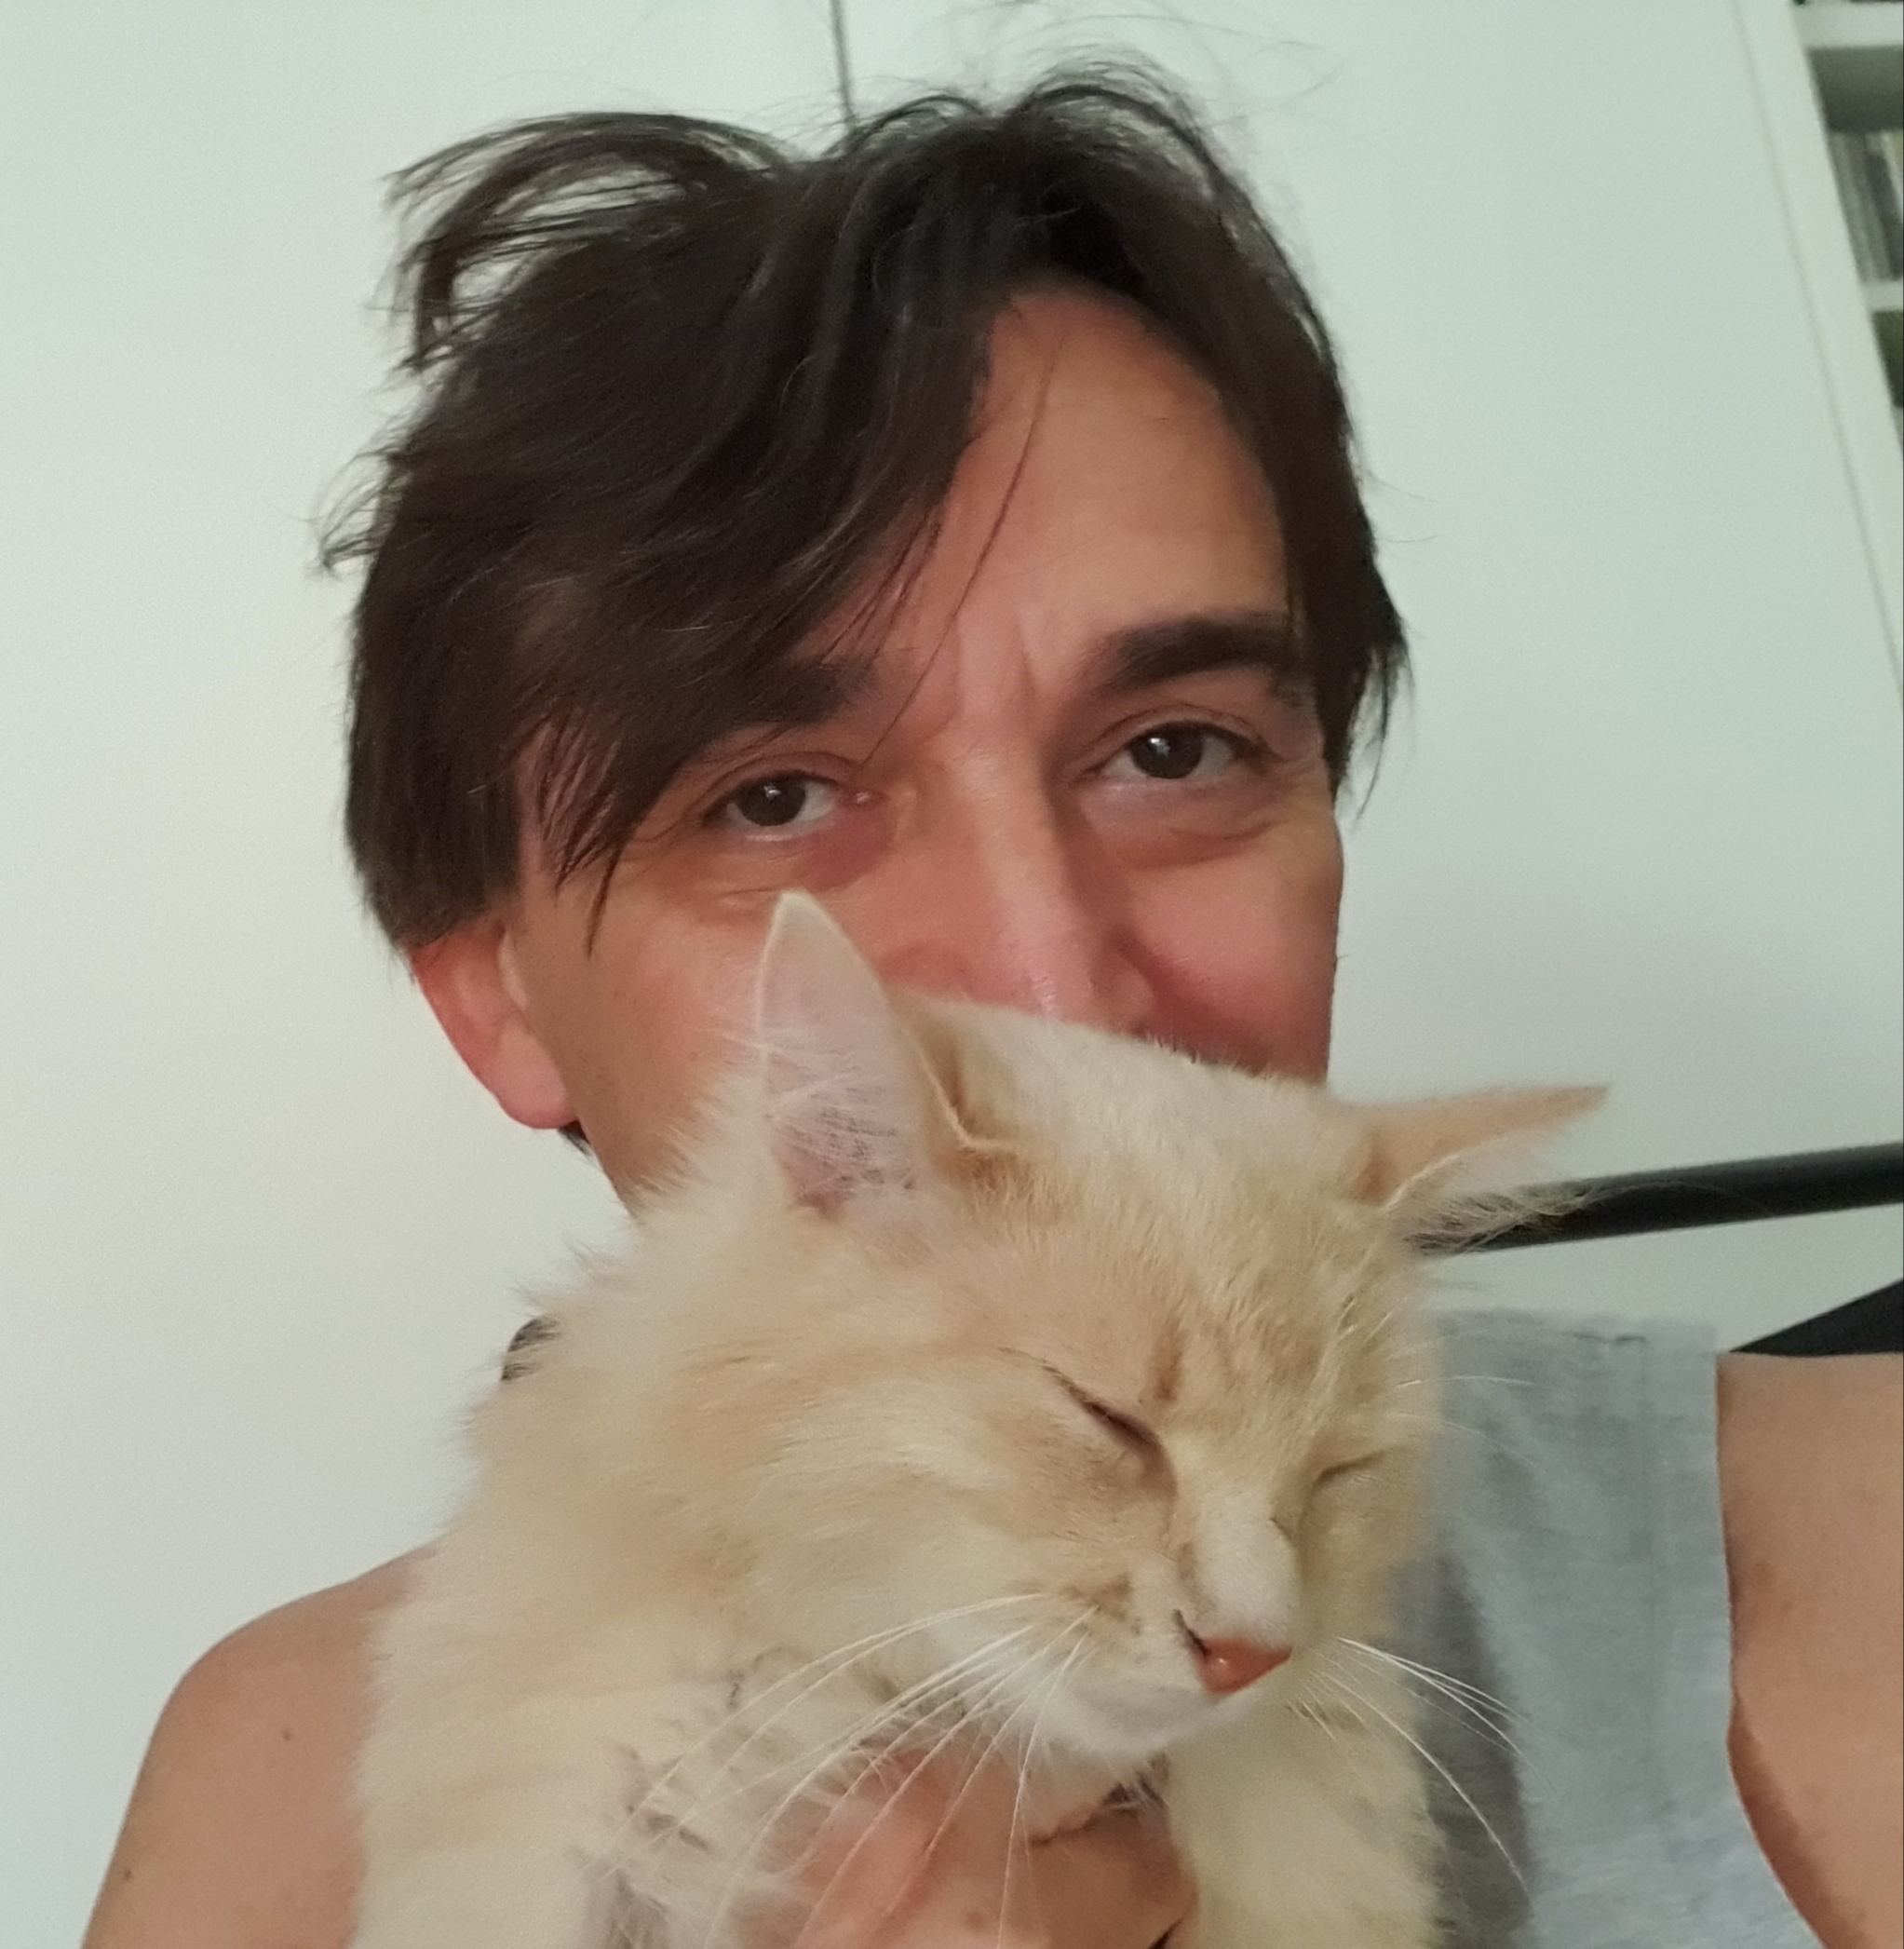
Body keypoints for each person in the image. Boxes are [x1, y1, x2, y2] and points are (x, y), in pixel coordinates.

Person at [83, 75, 1900, 1949]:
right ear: (495, 1004)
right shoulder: (258, 1800)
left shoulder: (1852, 1547)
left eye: (1174, 749)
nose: (1050, 989)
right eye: (774, 797)